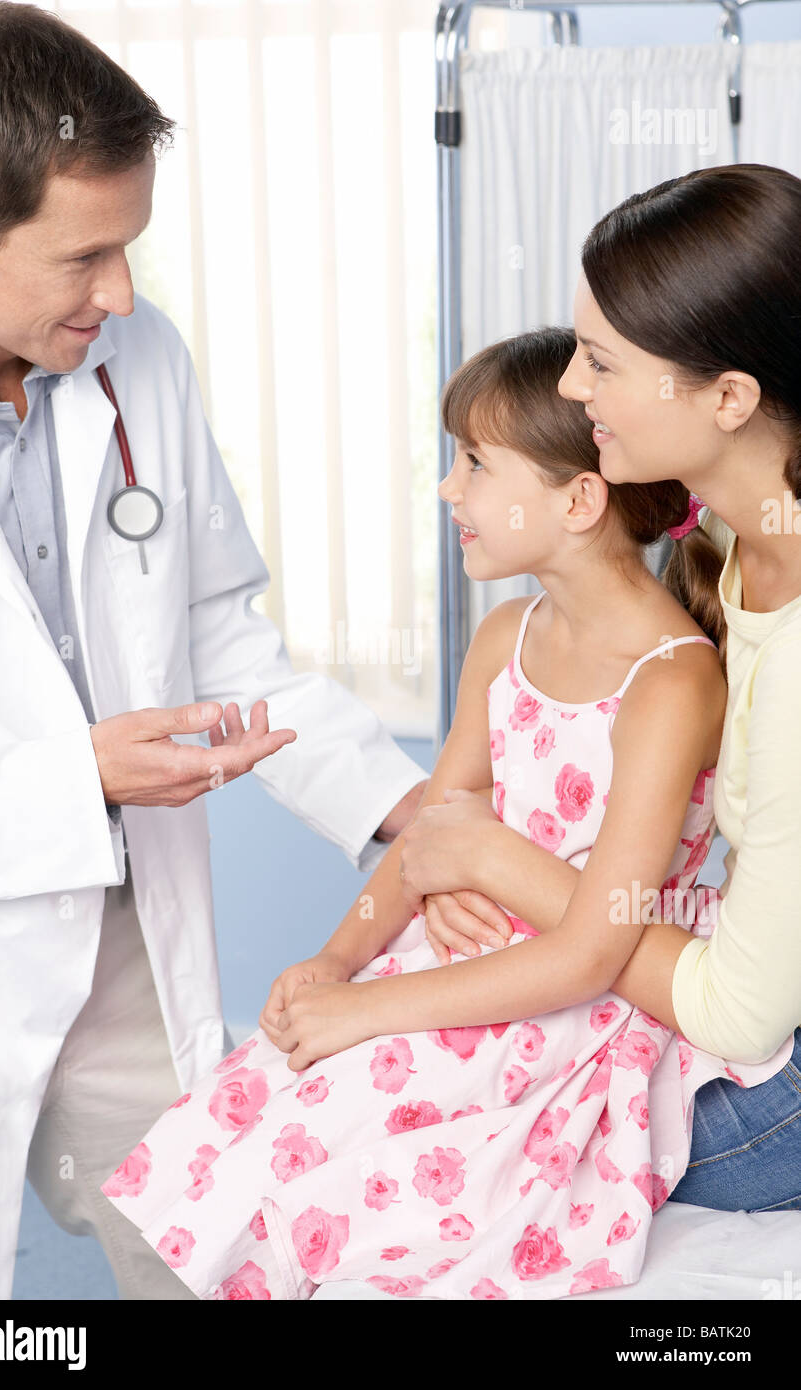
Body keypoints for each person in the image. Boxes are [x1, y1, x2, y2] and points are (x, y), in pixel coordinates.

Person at [100, 324, 794, 1300]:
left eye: (472, 462)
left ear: (577, 497)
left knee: (353, 1133)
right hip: (462, 958)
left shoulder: (670, 679)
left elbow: (591, 953)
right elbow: (434, 830)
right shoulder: (504, 633)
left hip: (576, 996)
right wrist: (334, 963)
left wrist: (366, 1006)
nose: (447, 489)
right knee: (267, 1084)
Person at [0, 1, 427, 1302]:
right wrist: (76, 777)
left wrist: (404, 814)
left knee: (214, 1252)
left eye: (130, 248)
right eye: (83, 255)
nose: (124, 294)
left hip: (120, 940)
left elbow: (216, 632)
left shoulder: (130, 360)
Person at [403, 163, 801, 1217]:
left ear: (727, 398)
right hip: (712, 977)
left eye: (598, 362)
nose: (572, 391)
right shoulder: (731, 540)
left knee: (425, 1155)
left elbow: (737, 1016)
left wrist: (491, 859)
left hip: (780, 1080)